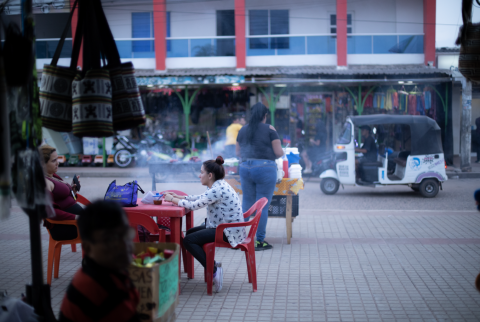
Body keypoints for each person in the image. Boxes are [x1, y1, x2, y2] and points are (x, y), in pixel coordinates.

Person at [164, 156, 244, 293]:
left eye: (201, 172)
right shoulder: (218, 185)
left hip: (226, 231)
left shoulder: (217, 189)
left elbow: (194, 205)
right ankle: (212, 264)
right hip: (224, 227)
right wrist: (178, 198)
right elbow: (200, 198)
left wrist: (173, 200)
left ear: (210, 175)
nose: (199, 175)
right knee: (189, 234)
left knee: (189, 240)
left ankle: (214, 270)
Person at [59, 201, 139, 322]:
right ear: (87, 248)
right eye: (110, 239)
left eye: (125, 234)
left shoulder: (105, 271)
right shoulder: (103, 291)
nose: (123, 244)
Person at [236, 103, 284, 251]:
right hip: (265, 168)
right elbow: (279, 153)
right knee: (261, 206)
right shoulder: (270, 129)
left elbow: (238, 153)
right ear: (265, 116)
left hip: (245, 168)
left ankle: (239, 239)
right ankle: (259, 241)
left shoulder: (243, 129)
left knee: (246, 204)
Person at [40, 144, 83, 241]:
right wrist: (77, 217)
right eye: (53, 160)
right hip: (66, 227)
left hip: (75, 223)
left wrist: (73, 192)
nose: (58, 163)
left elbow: (65, 200)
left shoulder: (52, 176)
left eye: (57, 159)